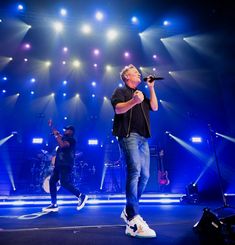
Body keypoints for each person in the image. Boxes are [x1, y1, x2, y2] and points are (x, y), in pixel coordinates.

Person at [111, 64, 158, 238]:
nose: (139, 74)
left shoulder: (142, 94)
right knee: (135, 171)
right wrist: (133, 101)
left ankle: (128, 209)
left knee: (145, 175)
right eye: (135, 73)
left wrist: (151, 88)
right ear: (127, 77)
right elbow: (118, 109)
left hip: (143, 138)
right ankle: (132, 216)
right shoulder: (120, 91)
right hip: (128, 135)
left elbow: (154, 107)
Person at [42, 125, 88, 212]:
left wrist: (56, 135)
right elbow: (60, 137)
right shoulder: (64, 139)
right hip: (58, 165)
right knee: (52, 182)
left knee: (64, 183)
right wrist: (52, 127)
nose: (65, 131)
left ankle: (81, 196)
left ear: (71, 131)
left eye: (66, 130)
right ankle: (54, 204)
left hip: (65, 165)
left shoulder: (71, 140)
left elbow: (63, 145)